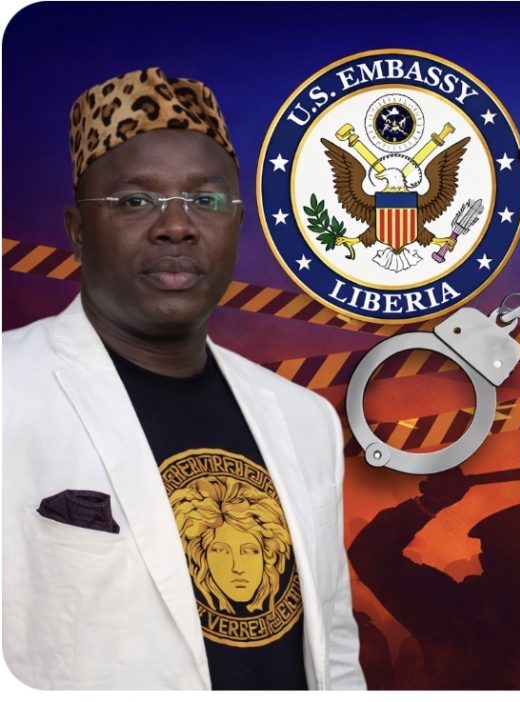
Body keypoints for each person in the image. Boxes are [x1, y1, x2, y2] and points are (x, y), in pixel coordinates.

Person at [2, 67, 365, 690]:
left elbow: (332, 647)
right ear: (77, 232)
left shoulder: (304, 418)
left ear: (235, 225)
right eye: (135, 201)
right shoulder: (11, 390)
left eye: (205, 199)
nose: (177, 225)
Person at [348, 466, 520, 689]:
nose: (517, 571)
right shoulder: (451, 610)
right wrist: (427, 505)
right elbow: (370, 553)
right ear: (485, 563)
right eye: (507, 561)